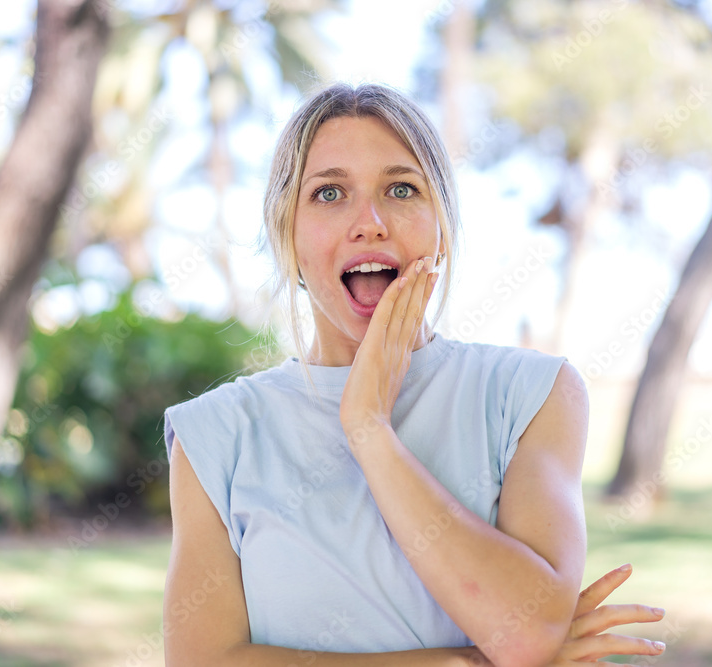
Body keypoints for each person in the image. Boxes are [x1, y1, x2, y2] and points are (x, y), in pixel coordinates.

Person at [162, 82, 666, 666]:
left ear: (442, 230)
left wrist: (369, 428)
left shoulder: (533, 395)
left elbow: (527, 634)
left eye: (402, 189)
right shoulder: (214, 435)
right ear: (287, 235)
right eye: (329, 193)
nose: (369, 222)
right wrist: (466, 662)